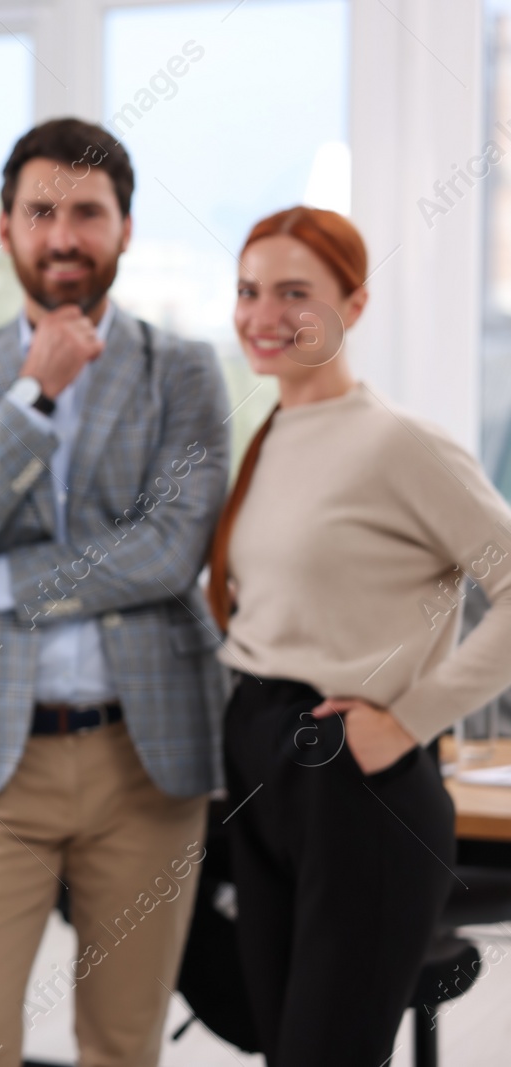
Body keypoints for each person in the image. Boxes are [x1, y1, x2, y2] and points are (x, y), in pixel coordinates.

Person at [0, 117, 230, 1067]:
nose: (63, 236)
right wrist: (33, 396)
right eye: (40, 211)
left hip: (145, 757)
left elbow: (170, 552)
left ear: (124, 229)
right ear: (5, 228)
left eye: (88, 212)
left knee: (123, 1043)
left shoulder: (186, 373)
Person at [212, 205, 511, 1066]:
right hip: (259, 760)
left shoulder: (401, 444)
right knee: (284, 1048)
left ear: (357, 303)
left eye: (295, 293)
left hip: (353, 779)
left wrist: (413, 717)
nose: (264, 315)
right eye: (249, 290)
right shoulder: (267, 440)